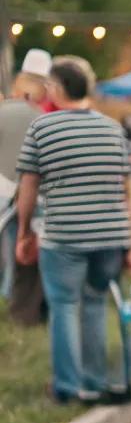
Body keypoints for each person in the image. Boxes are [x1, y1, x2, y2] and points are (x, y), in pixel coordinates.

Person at [15, 55, 131, 404]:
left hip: (63, 234)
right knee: (95, 304)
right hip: (110, 237)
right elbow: (126, 192)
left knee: (65, 306)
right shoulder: (114, 130)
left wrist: (24, 232)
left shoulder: (43, 128)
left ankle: (68, 386)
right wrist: (129, 243)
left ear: (55, 88)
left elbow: (29, 187)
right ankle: (95, 380)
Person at [0, 53, 51, 306]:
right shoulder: (41, 118)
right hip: (27, 192)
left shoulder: (3, 111)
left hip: (4, 188)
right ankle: (11, 293)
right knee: (18, 246)